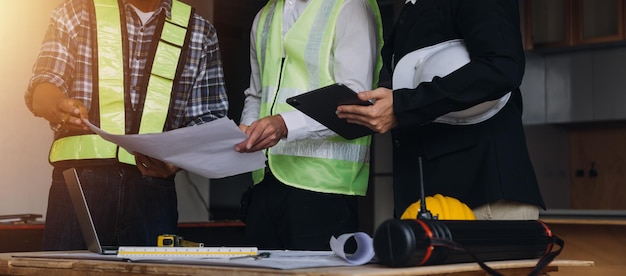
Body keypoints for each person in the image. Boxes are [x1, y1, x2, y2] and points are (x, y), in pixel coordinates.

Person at [25, 0, 228, 250]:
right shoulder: (76, 13)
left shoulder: (198, 30)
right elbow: (42, 88)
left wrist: (180, 158)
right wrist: (59, 106)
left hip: (153, 193)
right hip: (79, 188)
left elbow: (208, 121)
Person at [336, 0, 545, 220]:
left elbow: (501, 67)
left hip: (484, 196)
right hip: (429, 202)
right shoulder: (412, 7)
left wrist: (402, 105)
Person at [233, 0, 383, 250]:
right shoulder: (264, 16)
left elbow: (355, 99)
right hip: (264, 184)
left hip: (325, 188)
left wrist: (284, 125)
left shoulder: (350, 6)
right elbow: (257, 94)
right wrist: (247, 127)